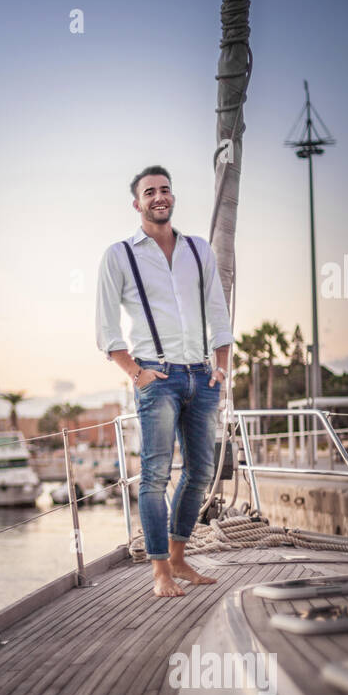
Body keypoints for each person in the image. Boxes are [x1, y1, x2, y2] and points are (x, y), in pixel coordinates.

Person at [95, 166, 233, 597]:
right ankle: (159, 572)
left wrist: (221, 366)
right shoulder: (119, 255)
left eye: (165, 189)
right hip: (156, 377)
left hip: (201, 376)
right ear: (137, 203)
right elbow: (106, 329)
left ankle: (178, 557)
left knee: (200, 472)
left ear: (172, 197)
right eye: (149, 191)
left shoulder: (198, 250)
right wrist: (136, 373)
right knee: (155, 476)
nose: (159, 196)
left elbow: (218, 312)